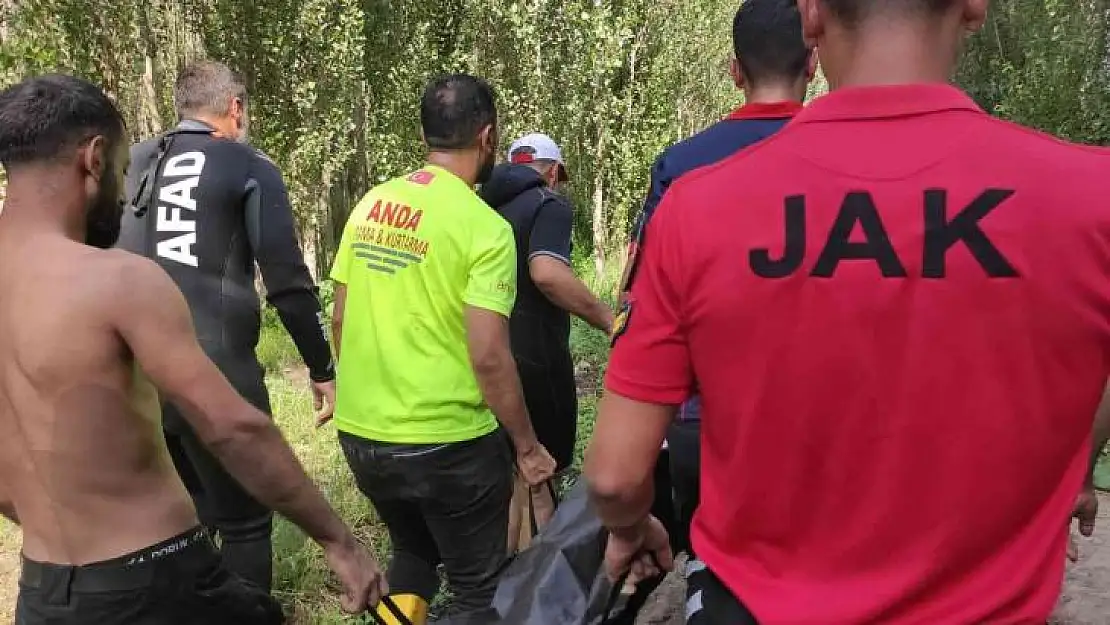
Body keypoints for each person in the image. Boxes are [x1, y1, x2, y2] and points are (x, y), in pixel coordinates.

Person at [587, 0, 1110, 622]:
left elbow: (616, 476)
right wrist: (1079, 464)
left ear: (811, 17)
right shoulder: (1089, 198)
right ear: (974, 7)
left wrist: (630, 526)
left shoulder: (697, 209)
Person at [0, 74, 384, 625]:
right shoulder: (118, 281)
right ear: (94, 157)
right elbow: (235, 429)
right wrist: (341, 543)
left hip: (44, 594)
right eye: (119, 172)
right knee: (246, 536)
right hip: (157, 585)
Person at [330, 74, 557, 621]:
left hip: (364, 435)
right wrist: (527, 448)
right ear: (487, 137)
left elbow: (339, 317)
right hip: (449, 445)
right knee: (481, 589)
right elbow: (488, 355)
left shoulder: (372, 204)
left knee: (412, 552)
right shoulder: (483, 227)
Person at [116, 60, 337, 592]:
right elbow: (285, 276)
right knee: (244, 522)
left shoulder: (131, 161)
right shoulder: (245, 164)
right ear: (234, 107)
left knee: (173, 522)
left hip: (129, 373)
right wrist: (321, 365)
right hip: (214, 372)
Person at [618, 0, 816, 563]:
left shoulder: (680, 165)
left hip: (706, 423)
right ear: (814, 64)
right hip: (822, 425)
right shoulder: (858, 161)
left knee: (717, 570)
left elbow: (641, 297)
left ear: (735, 70)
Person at [479, 133, 613, 543]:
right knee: (542, 468)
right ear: (553, 172)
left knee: (510, 470)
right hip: (536, 356)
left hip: (482, 355)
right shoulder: (548, 203)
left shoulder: (479, 207)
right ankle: (540, 579)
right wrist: (609, 320)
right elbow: (547, 273)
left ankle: (502, 574)